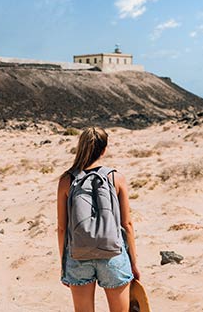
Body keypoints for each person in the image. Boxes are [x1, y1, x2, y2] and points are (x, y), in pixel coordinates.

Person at [57, 127, 140, 312]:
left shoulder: (66, 180)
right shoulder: (116, 178)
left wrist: (65, 265)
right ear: (104, 150)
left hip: (78, 255)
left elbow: (62, 228)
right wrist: (133, 263)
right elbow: (127, 224)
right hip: (113, 254)